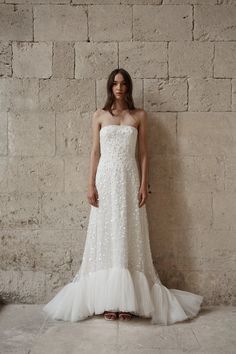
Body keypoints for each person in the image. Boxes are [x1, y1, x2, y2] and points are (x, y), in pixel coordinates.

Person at [43, 68, 203, 325]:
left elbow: (143, 153)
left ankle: (129, 300)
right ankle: (107, 300)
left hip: (129, 179)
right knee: (106, 234)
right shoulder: (99, 115)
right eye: (115, 83)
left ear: (129, 87)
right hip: (105, 180)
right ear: (110, 87)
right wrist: (90, 184)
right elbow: (95, 152)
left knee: (128, 233)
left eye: (124, 83)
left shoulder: (139, 115)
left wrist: (143, 184)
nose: (119, 87)